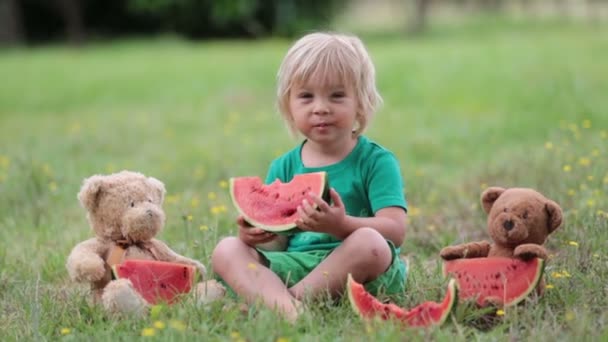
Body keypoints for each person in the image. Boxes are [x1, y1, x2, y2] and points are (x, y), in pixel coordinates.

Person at [212, 32, 408, 322]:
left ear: (361, 102)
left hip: (359, 268)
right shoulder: (284, 166)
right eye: (306, 96)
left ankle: (280, 303)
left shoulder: (377, 161)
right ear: (288, 105)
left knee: (371, 242)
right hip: (294, 264)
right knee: (227, 249)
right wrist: (255, 236)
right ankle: (292, 309)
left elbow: (395, 230)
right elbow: (279, 243)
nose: (321, 107)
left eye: (337, 95)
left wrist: (343, 225)